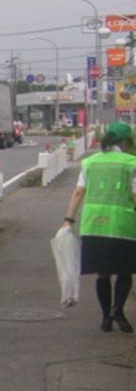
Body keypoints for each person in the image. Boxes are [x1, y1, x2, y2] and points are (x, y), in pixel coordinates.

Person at [63, 122, 136, 333]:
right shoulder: (131, 163)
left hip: (94, 225)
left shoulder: (89, 162)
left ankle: (105, 317)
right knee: (125, 272)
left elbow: (78, 192)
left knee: (102, 273)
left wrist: (68, 219)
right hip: (123, 225)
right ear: (125, 142)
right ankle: (118, 310)